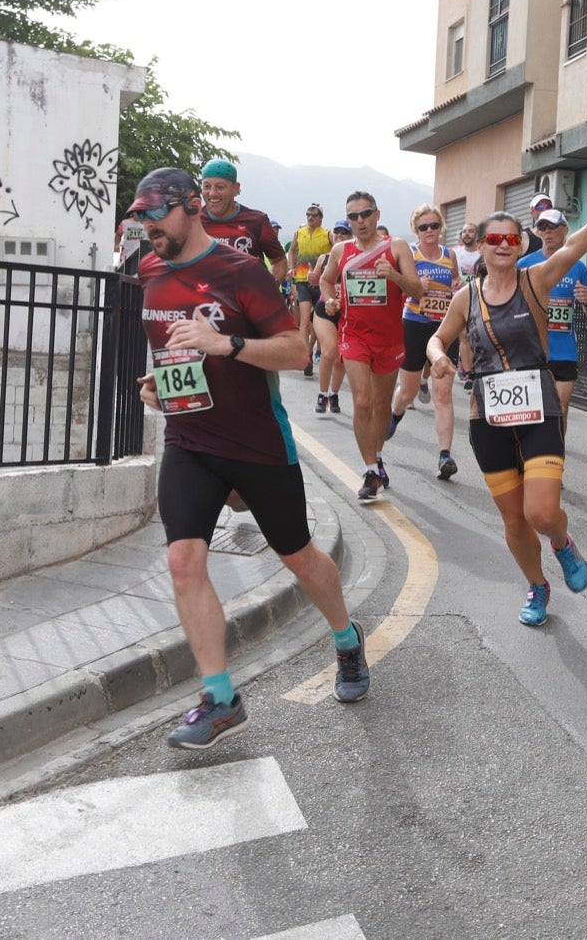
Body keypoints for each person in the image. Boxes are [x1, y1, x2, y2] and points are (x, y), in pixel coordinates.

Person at [129, 167, 370, 750]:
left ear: (191, 207)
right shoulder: (149, 268)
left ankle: (346, 638)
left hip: (256, 442)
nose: (148, 226)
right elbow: (171, 348)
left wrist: (225, 344)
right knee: (183, 560)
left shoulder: (241, 272)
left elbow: (294, 351)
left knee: (299, 557)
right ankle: (220, 699)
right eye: (140, 216)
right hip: (188, 440)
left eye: (156, 214)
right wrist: (162, 384)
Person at [426, 168, 587, 627]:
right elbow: (437, 338)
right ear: (481, 245)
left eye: (512, 239)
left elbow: (572, 248)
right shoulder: (466, 297)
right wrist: (438, 357)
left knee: (542, 512)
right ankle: (537, 585)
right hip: (487, 420)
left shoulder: (536, 280)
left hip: (538, 410)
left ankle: (562, 544)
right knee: (514, 520)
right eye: (494, 239)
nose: (504, 245)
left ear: (521, 244)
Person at [319, 190, 422, 500]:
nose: (360, 221)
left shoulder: (397, 247)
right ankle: (370, 470)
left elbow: (417, 290)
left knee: (380, 405)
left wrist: (394, 275)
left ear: (377, 215)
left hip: (389, 338)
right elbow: (325, 280)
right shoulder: (341, 250)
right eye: (353, 216)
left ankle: (377, 457)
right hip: (354, 336)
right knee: (362, 400)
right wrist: (331, 300)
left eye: (365, 214)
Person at [386, 204, 461, 480]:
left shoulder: (450, 255)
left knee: (442, 394)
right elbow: (396, 289)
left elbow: (456, 282)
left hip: (444, 328)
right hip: (415, 326)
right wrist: (416, 286)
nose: (430, 231)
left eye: (434, 226)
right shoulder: (410, 253)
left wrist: (458, 286)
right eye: (423, 227)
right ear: (415, 230)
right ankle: (395, 415)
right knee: (407, 392)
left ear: (441, 228)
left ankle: (445, 456)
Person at [519, 208, 587, 427]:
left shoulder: (578, 267)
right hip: (532, 348)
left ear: (565, 230)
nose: (547, 232)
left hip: (564, 349)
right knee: (532, 408)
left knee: (561, 407)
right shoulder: (524, 264)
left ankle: (557, 447)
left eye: (552, 227)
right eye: (542, 227)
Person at [197, 158, 287, 282]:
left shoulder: (257, 221)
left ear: (235, 188)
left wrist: (268, 289)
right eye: (207, 186)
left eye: (220, 187)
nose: (212, 193)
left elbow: (279, 261)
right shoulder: (192, 221)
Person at [309, 220, 350, 414]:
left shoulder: (357, 258)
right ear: (332, 236)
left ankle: (334, 393)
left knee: (341, 358)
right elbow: (316, 280)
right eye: (337, 232)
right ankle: (322, 394)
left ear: (351, 237)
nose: (340, 236)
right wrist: (311, 277)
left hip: (347, 313)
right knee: (329, 352)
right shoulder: (324, 258)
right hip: (325, 309)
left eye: (345, 233)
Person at [288, 203, 331, 376]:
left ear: (321, 218)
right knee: (305, 320)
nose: (310, 217)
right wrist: (291, 267)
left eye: (314, 215)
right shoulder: (299, 233)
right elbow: (292, 251)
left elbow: (336, 251)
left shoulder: (328, 234)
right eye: (308, 214)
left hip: (321, 283)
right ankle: (306, 356)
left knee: (317, 322)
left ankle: (314, 350)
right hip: (302, 280)